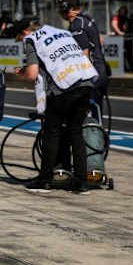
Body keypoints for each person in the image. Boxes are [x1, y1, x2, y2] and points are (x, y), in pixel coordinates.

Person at [16, 21, 98, 193]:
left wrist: (21, 72)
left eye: (19, 37)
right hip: (86, 81)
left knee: (51, 132)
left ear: (25, 32)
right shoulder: (62, 32)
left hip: (64, 86)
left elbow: (32, 74)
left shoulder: (32, 39)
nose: (21, 40)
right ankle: (81, 181)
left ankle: (44, 179)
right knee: (75, 131)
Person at [59, 0, 109, 120]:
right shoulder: (87, 18)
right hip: (100, 69)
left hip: (92, 74)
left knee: (85, 116)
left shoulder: (77, 26)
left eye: (61, 8)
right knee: (96, 113)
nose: (59, 12)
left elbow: (84, 55)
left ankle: (95, 139)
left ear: (68, 9)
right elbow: (100, 40)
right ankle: (99, 138)